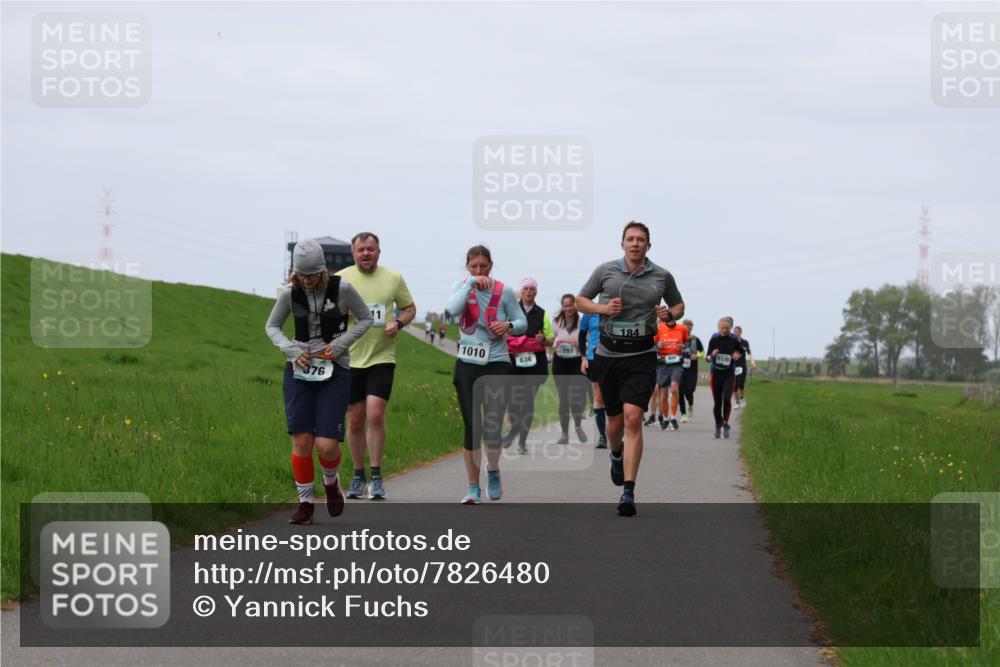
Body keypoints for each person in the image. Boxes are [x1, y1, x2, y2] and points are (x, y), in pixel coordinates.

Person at [577, 221, 684, 516]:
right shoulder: (605, 271)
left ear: (649, 245)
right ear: (622, 243)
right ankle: (615, 452)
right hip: (609, 355)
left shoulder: (662, 276)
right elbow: (580, 301)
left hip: (642, 354)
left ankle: (628, 491)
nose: (635, 243)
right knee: (614, 422)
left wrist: (669, 315)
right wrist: (603, 309)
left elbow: (678, 306)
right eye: (630, 239)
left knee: (633, 418)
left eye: (641, 240)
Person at [265, 239, 374, 524]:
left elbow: (365, 319)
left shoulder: (344, 290)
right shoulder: (290, 294)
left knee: (326, 445)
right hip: (299, 370)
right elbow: (271, 326)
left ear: (323, 270)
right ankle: (305, 504)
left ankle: (330, 481)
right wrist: (291, 350)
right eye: (301, 275)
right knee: (301, 441)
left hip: (334, 370)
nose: (307, 280)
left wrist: (340, 345)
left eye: (312, 275)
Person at [336, 232, 415, 501]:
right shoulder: (341, 278)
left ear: (379, 252)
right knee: (355, 420)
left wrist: (400, 323)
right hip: (349, 359)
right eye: (361, 250)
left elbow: (409, 308)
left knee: (376, 415)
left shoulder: (393, 277)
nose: (366, 253)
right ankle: (358, 475)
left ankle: (377, 475)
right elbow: (324, 313)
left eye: (371, 249)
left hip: (381, 358)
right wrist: (339, 313)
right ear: (353, 253)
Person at [445, 245, 527, 504]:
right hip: (468, 364)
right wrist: (469, 283)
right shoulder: (461, 286)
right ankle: (472, 487)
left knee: (492, 425)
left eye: (483, 266)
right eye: (473, 267)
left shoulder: (504, 291)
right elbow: (452, 310)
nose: (479, 271)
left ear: (491, 265)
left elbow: (522, 322)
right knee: (472, 426)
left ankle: (493, 471)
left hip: (497, 363)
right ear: (467, 267)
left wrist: (508, 325)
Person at [503, 278, 553, 455]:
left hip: (535, 365)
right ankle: (512, 431)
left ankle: (522, 442)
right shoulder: (511, 310)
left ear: (536, 292)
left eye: (532, 289)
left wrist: (543, 340)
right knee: (514, 402)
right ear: (521, 291)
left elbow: (551, 340)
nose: (529, 292)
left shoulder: (543, 313)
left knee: (528, 402)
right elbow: (502, 330)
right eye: (526, 289)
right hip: (514, 363)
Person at [551, 294, 588, 444]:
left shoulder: (582, 322)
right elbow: (552, 340)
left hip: (576, 361)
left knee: (576, 397)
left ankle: (578, 426)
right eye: (565, 305)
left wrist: (578, 344)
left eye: (571, 305)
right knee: (564, 399)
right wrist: (557, 343)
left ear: (576, 305)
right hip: (560, 362)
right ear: (562, 306)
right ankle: (564, 434)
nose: (568, 308)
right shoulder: (556, 322)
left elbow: (589, 340)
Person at [705, 317, 744, 440]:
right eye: (723, 328)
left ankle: (725, 423)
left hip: (729, 374)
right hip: (716, 373)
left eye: (727, 328)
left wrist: (737, 355)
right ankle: (718, 425)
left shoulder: (733, 340)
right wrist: (712, 355)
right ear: (719, 328)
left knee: (726, 399)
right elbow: (707, 358)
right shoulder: (714, 340)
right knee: (717, 403)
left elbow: (741, 353)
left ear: (730, 328)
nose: (725, 330)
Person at [653, 319, 690, 431]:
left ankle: (673, 417)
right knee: (663, 392)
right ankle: (665, 418)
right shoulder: (659, 328)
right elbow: (652, 344)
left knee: (674, 388)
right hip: (663, 363)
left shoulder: (682, 328)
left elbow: (687, 343)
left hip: (677, 363)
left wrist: (682, 347)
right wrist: (658, 345)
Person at [579, 311, 607, 448]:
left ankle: (618, 432)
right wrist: (583, 357)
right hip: (593, 358)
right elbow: (581, 335)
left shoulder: (618, 310)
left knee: (615, 396)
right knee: (598, 396)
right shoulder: (590, 313)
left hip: (614, 358)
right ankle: (602, 435)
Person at [678, 319, 704, 423]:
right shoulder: (678, 338)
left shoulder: (695, 339)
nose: (688, 328)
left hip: (692, 369)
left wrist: (697, 355)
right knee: (680, 392)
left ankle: (690, 405)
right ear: (682, 327)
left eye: (690, 326)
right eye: (686, 326)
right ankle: (683, 414)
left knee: (690, 390)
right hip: (679, 368)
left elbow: (703, 352)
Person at [732, 325, 756, 409]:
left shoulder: (745, 342)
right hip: (733, 366)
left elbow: (749, 353)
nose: (735, 333)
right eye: (734, 332)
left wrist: (753, 362)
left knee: (740, 384)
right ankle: (737, 402)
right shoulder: (731, 342)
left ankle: (742, 398)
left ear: (740, 333)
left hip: (741, 365)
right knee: (734, 386)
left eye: (737, 332)